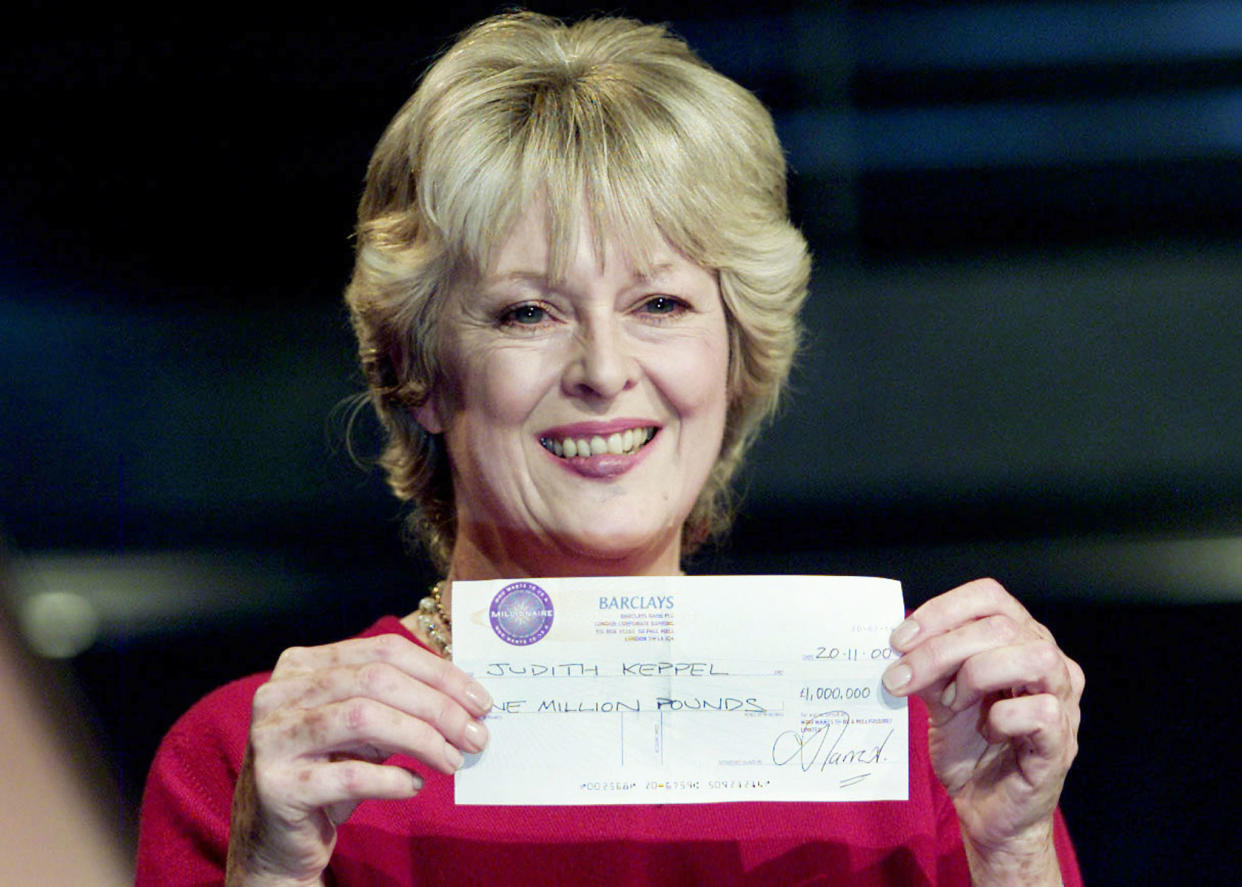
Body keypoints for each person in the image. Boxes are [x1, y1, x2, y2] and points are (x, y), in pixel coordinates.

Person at [137, 12, 1084, 886]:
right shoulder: (267, 758)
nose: (603, 367)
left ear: (735, 357)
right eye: (528, 312)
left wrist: (1012, 853)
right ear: (416, 372)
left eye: (659, 304)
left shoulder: (927, 756)